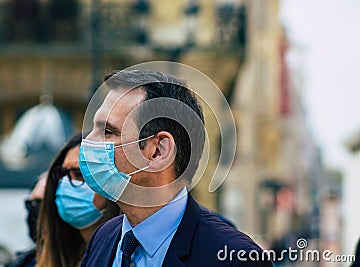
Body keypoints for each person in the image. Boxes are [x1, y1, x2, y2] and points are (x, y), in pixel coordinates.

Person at [80, 70, 273, 266]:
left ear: (158, 151)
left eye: (108, 132)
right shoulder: (103, 239)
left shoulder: (236, 259)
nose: (87, 141)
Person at [34, 132, 120, 267]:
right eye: (61, 174)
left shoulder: (127, 257)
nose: (65, 184)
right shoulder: (51, 257)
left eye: (79, 174)